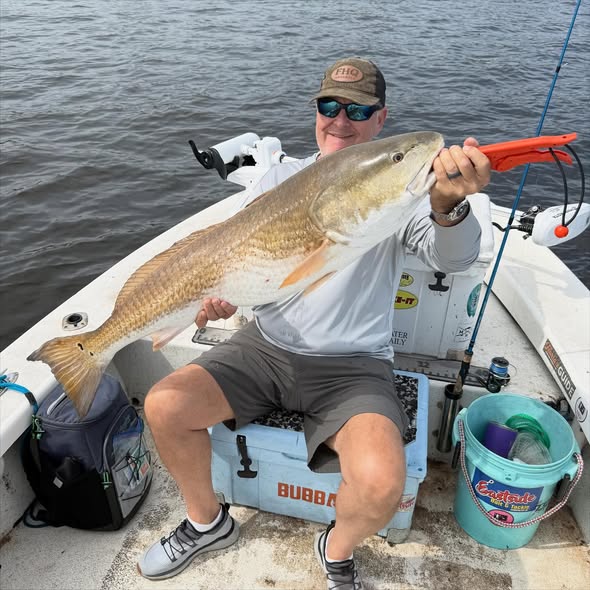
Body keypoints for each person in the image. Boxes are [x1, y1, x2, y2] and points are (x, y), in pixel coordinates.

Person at [137, 57, 491, 589]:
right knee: (164, 405)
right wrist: (219, 300)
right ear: (316, 112)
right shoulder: (280, 179)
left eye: (358, 110)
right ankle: (207, 524)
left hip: (353, 367)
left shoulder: (404, 190)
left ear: (380, 118)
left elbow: (456, 259)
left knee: (382, 483)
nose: (340, 120)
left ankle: (337, 551)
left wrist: (449, 207)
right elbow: (233, 262)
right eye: (329, 106)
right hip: (264, 349)